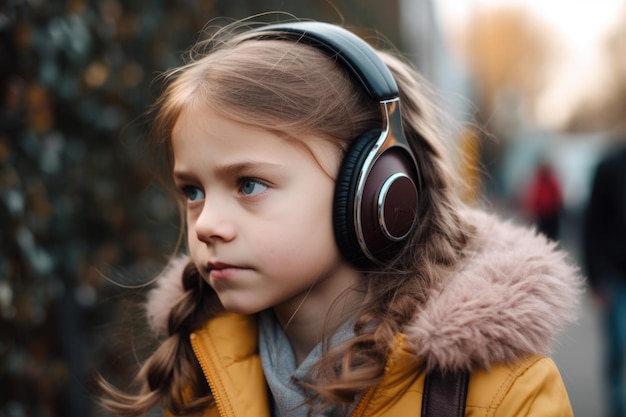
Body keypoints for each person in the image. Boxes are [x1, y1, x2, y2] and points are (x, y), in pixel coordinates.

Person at [98, 19, 582, 417]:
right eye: (193, 191)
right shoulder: (201, 368)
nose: (205, 226)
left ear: (377, 192)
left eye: (249, 184)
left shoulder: (503, 395)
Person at [583, 142, 626, 417]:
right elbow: (591, 226)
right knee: (618, 348)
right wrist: (596, 280)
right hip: (613, 276)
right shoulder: (609, 166)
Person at [522, 160, 564, 241]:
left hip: (552, 215)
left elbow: (557, 198)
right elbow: (534, 198)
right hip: (541, 215)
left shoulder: (551, 182)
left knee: (551, 236)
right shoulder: (539, 182)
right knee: (542, 235)